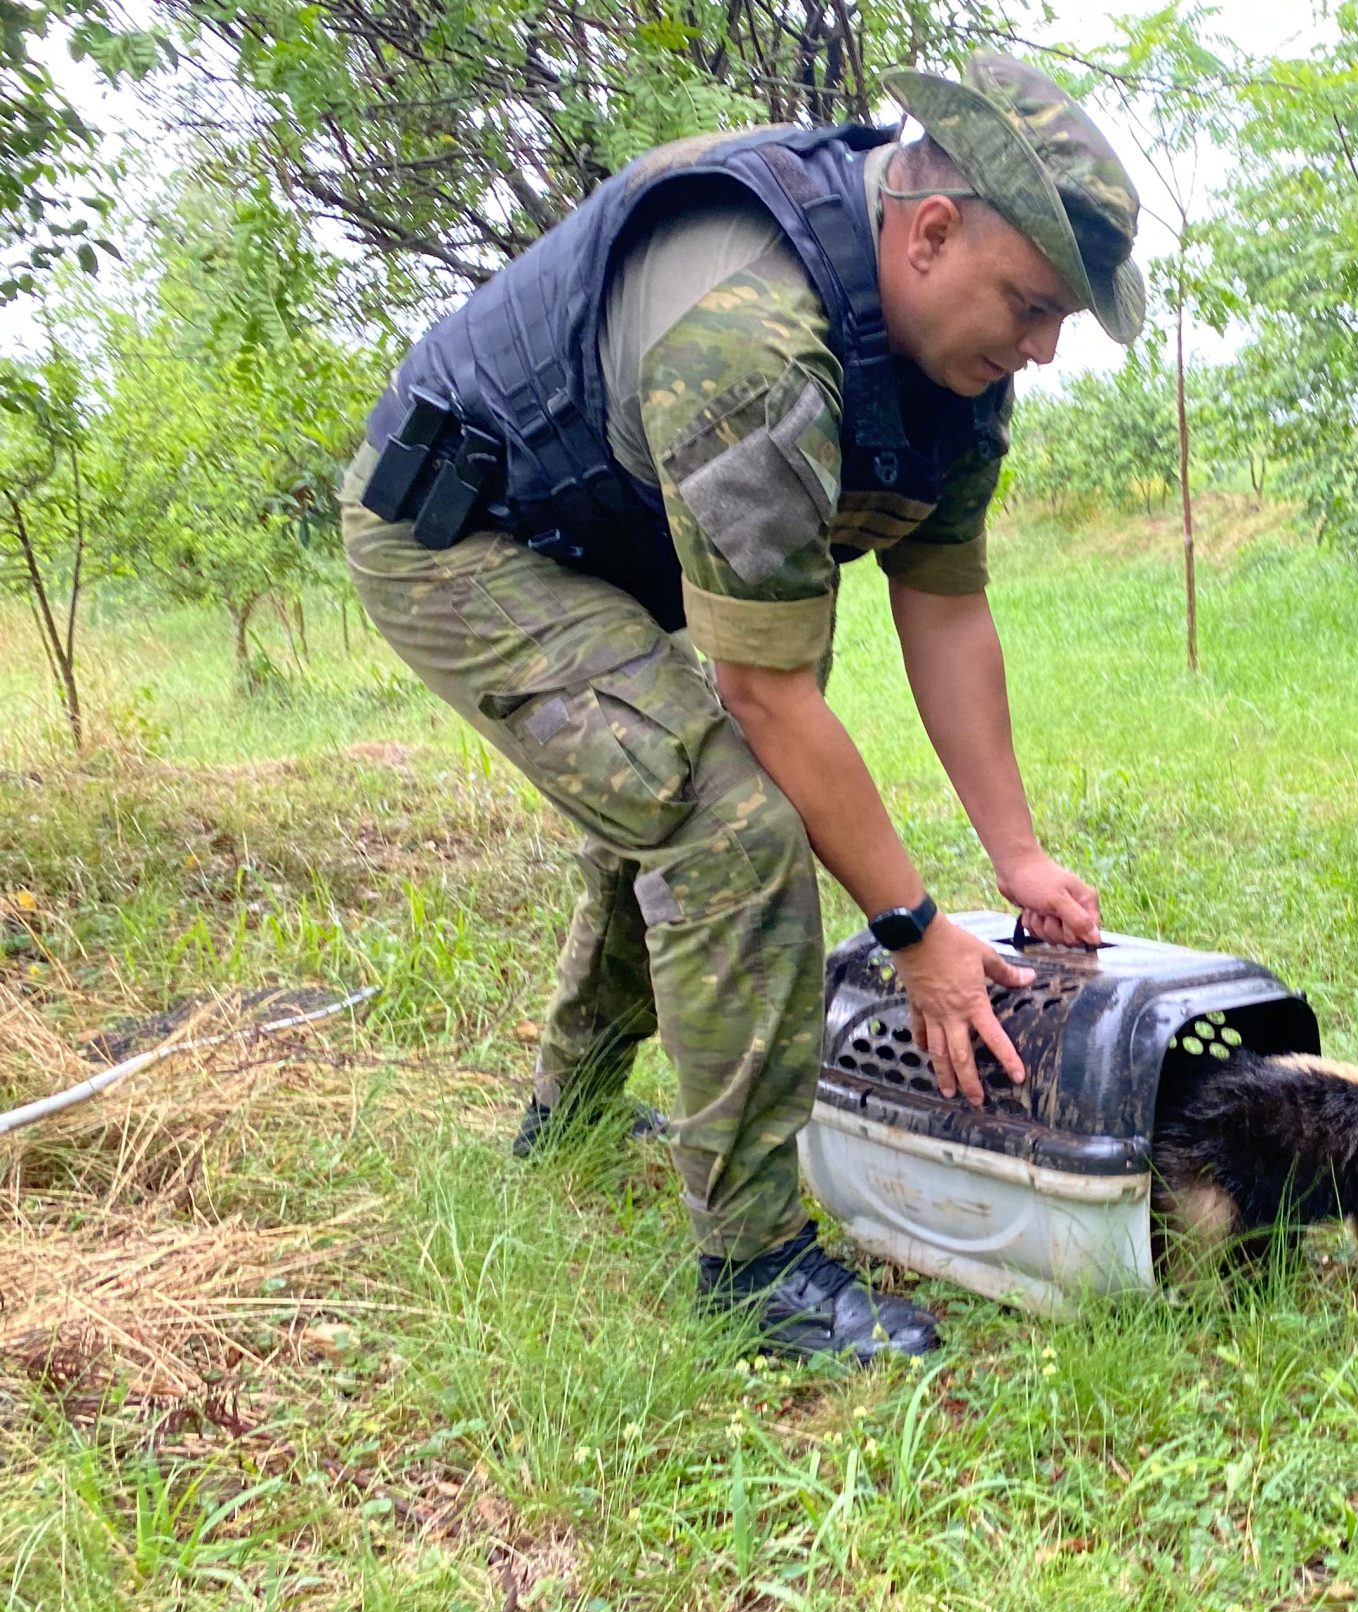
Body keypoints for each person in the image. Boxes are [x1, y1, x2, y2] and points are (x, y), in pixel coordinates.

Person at [337, 52, 1144, 1362]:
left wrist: (1018, 855)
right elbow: (768, 700)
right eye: (1034, 304)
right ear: (932, 231)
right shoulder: (754, 340)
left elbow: (944, 603)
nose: (1043, 351)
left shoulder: (960, 365)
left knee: (674, 794)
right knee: (725, 821)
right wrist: (916, 932)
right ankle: (754, 1268)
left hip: (618, 543)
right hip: (462, 534)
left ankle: (571, 1117)